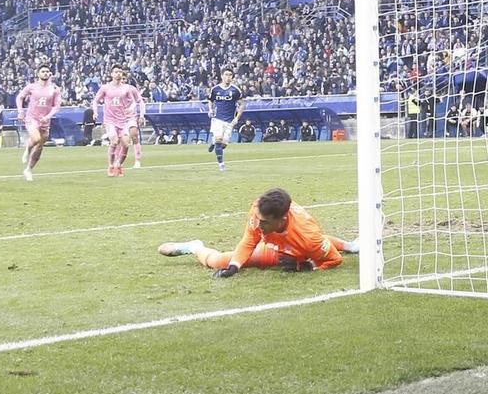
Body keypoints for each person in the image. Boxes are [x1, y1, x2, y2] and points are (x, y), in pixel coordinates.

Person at [157, 186, 359, 277]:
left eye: (265, 223)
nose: (258, 225)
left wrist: (307, 266)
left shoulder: (307, 236)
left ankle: (349, 246)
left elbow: (334, 260)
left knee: (312, 245)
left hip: (297, 248)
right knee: (220, 262)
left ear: (281, 220)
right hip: (285, 245)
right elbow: (248, 240)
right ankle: (194, 246)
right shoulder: (258, 210)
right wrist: (234, 266)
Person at [16, 65, 64, 182]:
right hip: (32, 118)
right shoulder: (31, 87)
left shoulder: (54, 89)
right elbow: (20, 97)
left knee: (40, 146)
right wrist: (20, 111)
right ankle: (27, 149)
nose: (46, 73)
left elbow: (57, 106)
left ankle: (28, 169)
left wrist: (48, 117)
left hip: (45, 120)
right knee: (36, 138)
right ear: (38, 74)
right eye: (43, 71)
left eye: (47, 71)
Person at [95, 66, 143, 177]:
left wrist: (131, 108)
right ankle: (111, 165)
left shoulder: (126, 88)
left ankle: (119, 165)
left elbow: (134, 101)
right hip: (110, 120)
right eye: (116, 72)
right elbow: (95, 101)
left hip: (123, 121)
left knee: (126, 144)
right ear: (111, 74)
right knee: (114, 141)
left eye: (120, 72)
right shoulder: (105, 88)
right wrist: (95, 112)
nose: (118, 74)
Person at [207, 67, 245, 172]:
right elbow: (210, 100)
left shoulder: (235, 90)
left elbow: (242, 104)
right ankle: (221, 165)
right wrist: (210, 110)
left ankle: (214, 142)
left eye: (230, 75)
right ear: (222, 76)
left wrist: (237, 118)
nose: (228, 77)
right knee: (219, 140)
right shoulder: (215, 89)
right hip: (217, 119)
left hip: (229, 121)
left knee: (223, 145)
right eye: (226, 75)